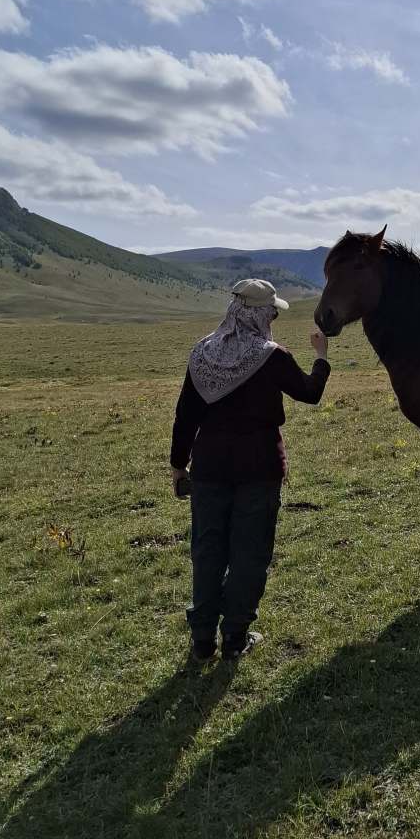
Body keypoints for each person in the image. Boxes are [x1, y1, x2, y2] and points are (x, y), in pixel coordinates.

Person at [169, 278, 330, 662]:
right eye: (271, 313)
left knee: (207, 551)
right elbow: (310, 393)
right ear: (259, 315)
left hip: (209, 468)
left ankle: (202, 640)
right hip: (259, 467)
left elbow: (186, 415)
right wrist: (322, 356)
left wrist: (178, 465)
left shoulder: (202, 354)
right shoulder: (271, 357)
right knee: (250, 552)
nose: (273, 319)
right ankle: (235, 637)